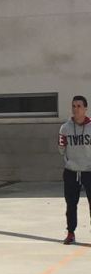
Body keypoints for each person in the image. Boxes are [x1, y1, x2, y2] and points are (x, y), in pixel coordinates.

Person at [58, 95, 91, 245]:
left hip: (89, 171)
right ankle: (71, 232)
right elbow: (61, 148)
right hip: (71, 171)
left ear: (85, 108)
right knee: (71, 204)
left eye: (79, 106)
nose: (75, 109)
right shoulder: (65, 128)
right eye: (73, 106)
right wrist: (70, 161)